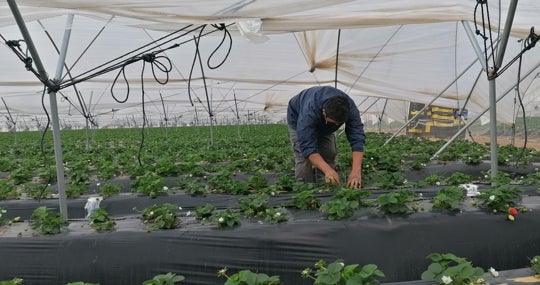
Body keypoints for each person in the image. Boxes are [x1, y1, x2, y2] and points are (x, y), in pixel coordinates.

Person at [287, 86, 366, 188]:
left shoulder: (350, 108)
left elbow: (357, 138)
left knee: (329, 152)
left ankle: (327, 185)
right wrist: (327, 170)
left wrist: (356, 170)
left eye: (339, 123)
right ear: (324, 112)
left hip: (323, 125)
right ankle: (304, 188)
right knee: (304, 158)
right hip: (297, 118)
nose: (337, 125)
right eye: (333, 122)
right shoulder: (309, 111)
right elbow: (307, 146)